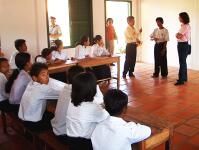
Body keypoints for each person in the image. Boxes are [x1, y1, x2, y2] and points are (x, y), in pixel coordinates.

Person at [66, 72, 109, 149]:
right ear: (92, 89)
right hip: (85, 144)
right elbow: (107, 115)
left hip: (71, 141)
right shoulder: (92, 108)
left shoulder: (72, 101)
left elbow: (95, 102)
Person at [18, 63, 62, 132]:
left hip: (24, 118)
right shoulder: (41, 89)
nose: (47, 77)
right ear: (34, 78)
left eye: (48, 74)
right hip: (34, 124)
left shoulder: (31, 83)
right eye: (43, 75)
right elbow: (62, 93)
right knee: (59, 121)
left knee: (51, 111)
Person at [175, 12, 191, 86]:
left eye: (179, 17)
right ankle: (184, 78)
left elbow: (178, 36)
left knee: (182, 62)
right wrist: (178, 35)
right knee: (183, 62)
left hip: (182, 45)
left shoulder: (185, 26)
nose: (178, 18)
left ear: (183, 18)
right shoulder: (185, 26)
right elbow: (179, 35)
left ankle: (181, 80)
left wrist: (177, 34)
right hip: (184, 45)